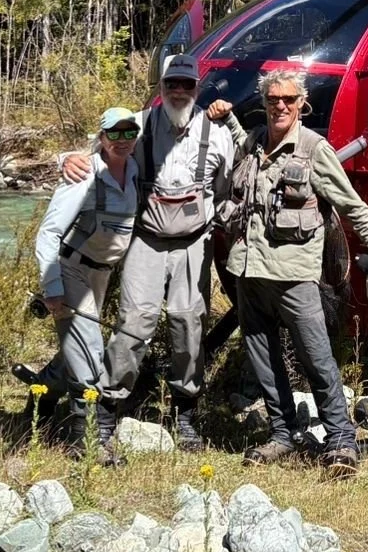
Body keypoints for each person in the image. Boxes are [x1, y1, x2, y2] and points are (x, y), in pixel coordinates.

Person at [62, 54, 240, 451]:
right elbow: (97, 156)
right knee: (134, 322)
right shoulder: (137, 126)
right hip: (145, 238)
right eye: (171, 84)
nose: (179, 91)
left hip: (195, 241)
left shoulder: (218, 132)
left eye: (187, 85)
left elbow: (230, 187)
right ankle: (108, 407)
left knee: (189, 321)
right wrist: (67, 160)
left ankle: (185, 409)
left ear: (198, 88)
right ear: (160, 88)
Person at [230, 64, 368, 478]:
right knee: (264, 360)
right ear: (264, 104)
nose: (280, 106)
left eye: (289, 99)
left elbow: (352, 205)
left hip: (295, 275)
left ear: (302, 103)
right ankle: (283, 434)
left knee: (317, 358)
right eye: (273, 100)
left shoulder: (314, 149)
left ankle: (341, 440)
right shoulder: (251, 143)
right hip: (250, 273)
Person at [31, 106, 142, 458]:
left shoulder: (135, 169)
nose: (122, 140)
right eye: (114, 133)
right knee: (91, 352)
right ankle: (87, 442)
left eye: (129, 133)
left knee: (77, 348)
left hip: (102, 272)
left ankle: (40, 393)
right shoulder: (83, 176)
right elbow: (47, 234)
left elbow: (160, 109)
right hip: (71, 270)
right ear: (102, 137)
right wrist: (53, 289)